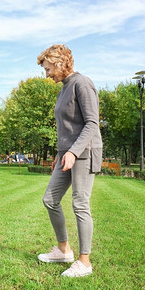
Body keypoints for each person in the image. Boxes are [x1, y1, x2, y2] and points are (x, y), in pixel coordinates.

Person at [36, 44, 102, 277]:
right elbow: (67, 127)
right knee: (50, 199)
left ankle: (84, 261)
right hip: (67, 153)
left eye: (47, 69)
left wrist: (73, 152)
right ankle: (64, 250)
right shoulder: (64, 88)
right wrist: (61, 153)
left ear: (59, 63)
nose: (46, 74)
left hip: (84, 152)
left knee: (80, 204)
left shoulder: (82, 84)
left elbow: (92, 124)